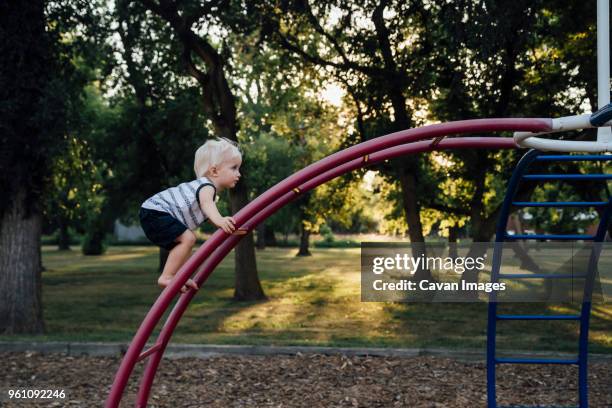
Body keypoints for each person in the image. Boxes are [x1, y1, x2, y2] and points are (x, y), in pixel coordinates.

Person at [139, 137, 241, 293]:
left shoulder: (206, 190)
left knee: (186, 245)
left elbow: (209, 213)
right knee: (189, 238)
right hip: (156, 212)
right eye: (234, 168)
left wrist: (228, 227)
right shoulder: (207, 187)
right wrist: (220, 220)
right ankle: (166, 277)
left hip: (153, 213)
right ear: (214, 171)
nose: (238, 174)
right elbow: (208, 206)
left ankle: (180, 276)